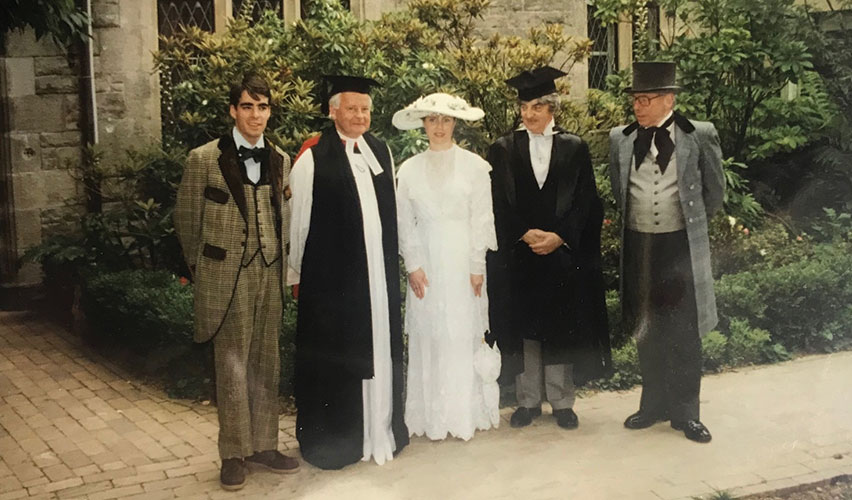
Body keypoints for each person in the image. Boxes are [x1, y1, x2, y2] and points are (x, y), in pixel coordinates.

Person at [174, 74, 298, 491]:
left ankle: (263, 445)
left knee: (267, 361)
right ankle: (233, 453)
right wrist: (210, 268)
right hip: (228, 277)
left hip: (270, 271)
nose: (256, 115)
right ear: (233, 110)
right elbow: (187, 224)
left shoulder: (280, 158)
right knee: (232, 364)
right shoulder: (204, 159)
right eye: (247, 106)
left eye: (263, 107)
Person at [287, 75, 409, 469]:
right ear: (333, 110)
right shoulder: (312, 157)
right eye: (352, 108)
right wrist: (296, 275)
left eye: (366, 109)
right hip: (335, 283)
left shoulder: (381, 151)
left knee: (379, 346)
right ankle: (342, 440)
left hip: (378, 276)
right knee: (342, 353)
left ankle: (382, 430)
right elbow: (299, 222)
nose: (360, 115)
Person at [487, 67, 612, 430]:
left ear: (552, 108)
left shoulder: (575, 147)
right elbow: (496, 203)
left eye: (537, 107)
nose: (528, 114)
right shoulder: (502, 148)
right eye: (524, 106)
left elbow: (586, 201)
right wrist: (524, 233)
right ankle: (527, 401)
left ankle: (561, 401)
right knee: (525, 326)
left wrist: (560, 236)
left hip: (560, 253)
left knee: (561, 326)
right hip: (520, 253)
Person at [608, 61, 724, 443]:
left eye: (647, 99)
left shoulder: (698, 135)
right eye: (636, 99)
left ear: (669, 99)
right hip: (639, 244)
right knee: (647, 328)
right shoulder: (620, 139)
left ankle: (687, 413)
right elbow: (617, 189)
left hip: (679, 248)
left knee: (683, 329)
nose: (638, 106)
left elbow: (715, 192)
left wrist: (688, 226)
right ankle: (652, 405)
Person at [392, 93, 500, 440]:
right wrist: (413, 264)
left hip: (461, 259)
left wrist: (476, 265)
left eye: (446, 120)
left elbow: (482, 219)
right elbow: (403, 222)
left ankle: (463, 413)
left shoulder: (475, 166)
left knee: (460, 330)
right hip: (427, 261)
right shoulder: (408, 169)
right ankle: (431, 417)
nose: (439, 127)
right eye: (432, 120)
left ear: (456, 124)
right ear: (423, 123)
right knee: (431, 332)